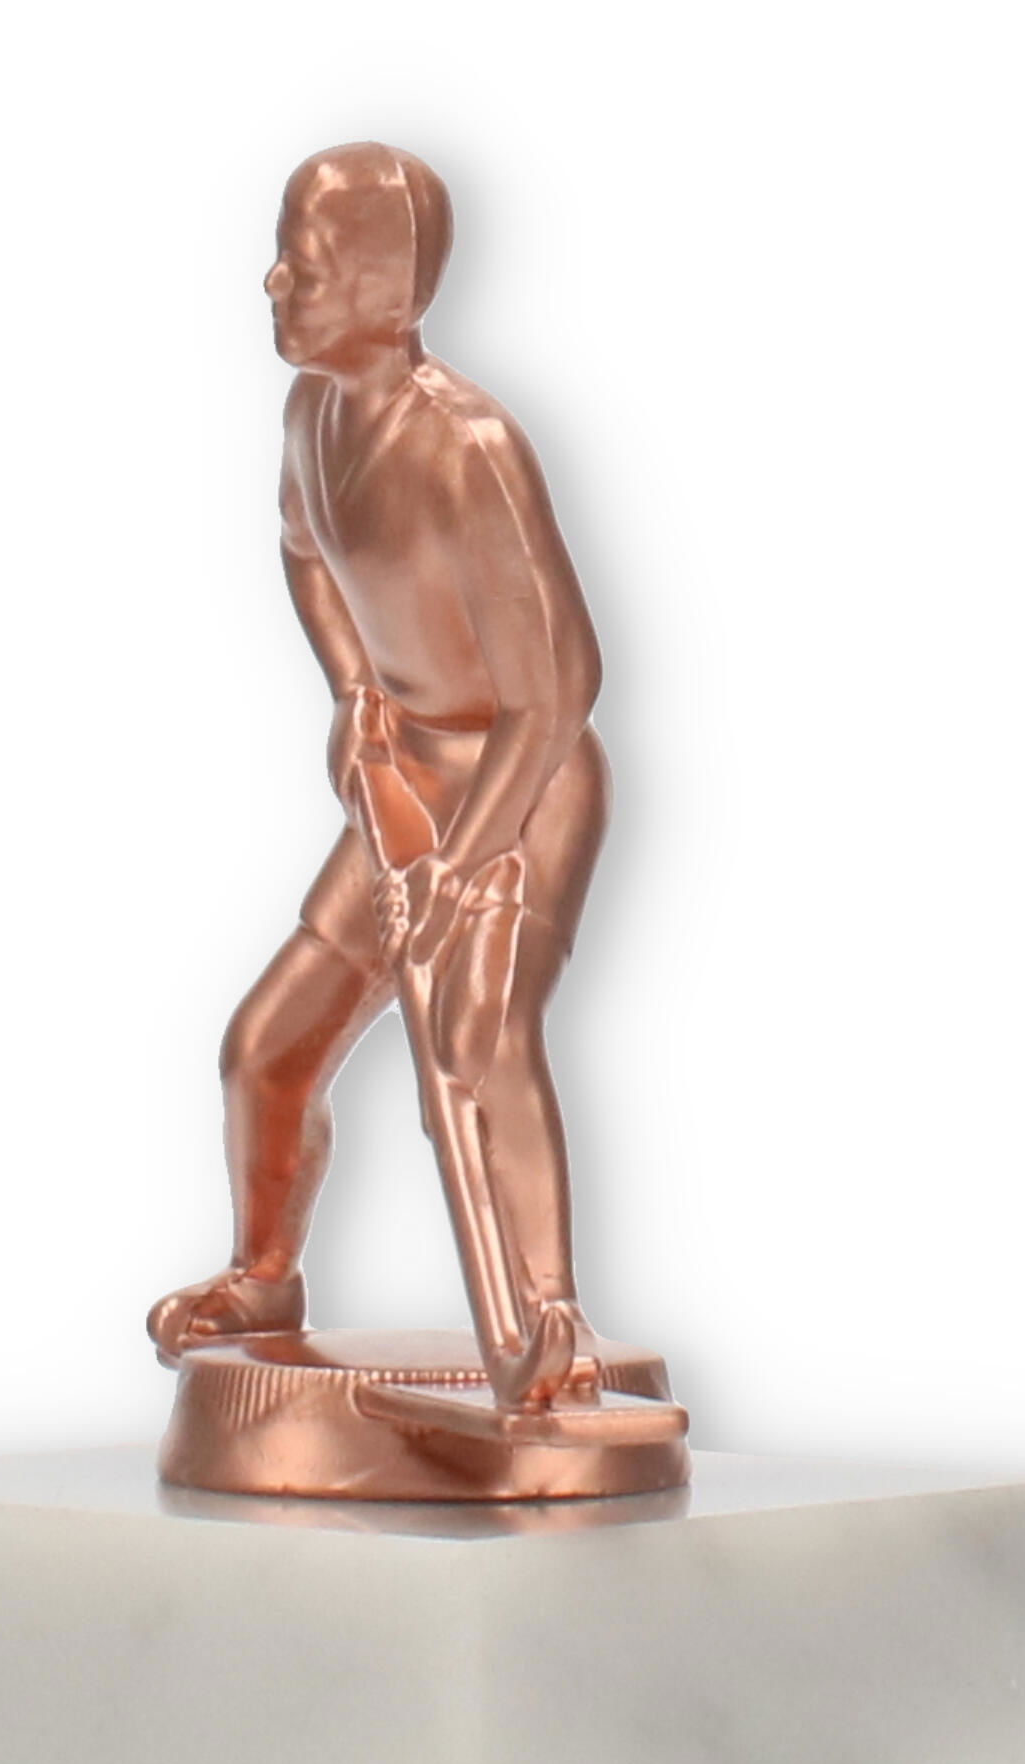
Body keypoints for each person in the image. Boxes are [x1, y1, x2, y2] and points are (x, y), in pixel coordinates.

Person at [148, 143, 611, 1398]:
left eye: (303, 264)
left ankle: (548, 1320)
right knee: (265, 1046)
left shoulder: (467, 448)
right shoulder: (310, 417)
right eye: (281, 255)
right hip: (399, 776)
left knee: (472, 1046)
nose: (273, 281)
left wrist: (466, 867)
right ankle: (262, 1275)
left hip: (524, 782)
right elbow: (304, 554)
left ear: (388, 291)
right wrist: (354, 690)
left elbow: (557, 689)